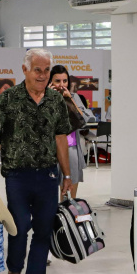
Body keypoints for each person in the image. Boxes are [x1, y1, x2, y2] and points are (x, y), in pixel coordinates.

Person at [0, 49, 72, 274]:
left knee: (43, 229)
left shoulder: (56, 100)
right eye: (37, 70)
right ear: (25, 70)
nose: (42, 75)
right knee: (18, 226)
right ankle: (14, 270)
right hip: (17, 176)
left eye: (46, 70)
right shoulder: (9, 98)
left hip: (48, 175)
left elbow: (61, 138)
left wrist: (67, 174)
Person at [48, 66, 96, 198]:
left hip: (71, 148)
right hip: (49, 149)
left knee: (70, 191)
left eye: (65, 81)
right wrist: (49, 98)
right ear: (50, 82)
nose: (62, 85)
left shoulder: (74, 97)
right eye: (57, 81)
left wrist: (70, 100)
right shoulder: (44, 97)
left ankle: (68, 209)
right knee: (48, 192)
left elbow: (86, 119)